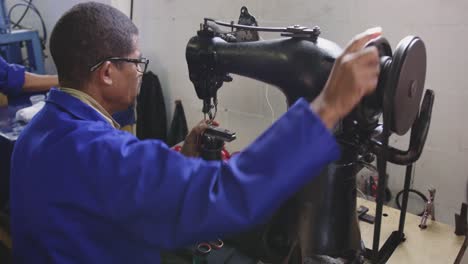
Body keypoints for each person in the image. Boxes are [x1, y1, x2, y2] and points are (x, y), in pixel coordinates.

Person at [10, 2, 381, 263]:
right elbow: (225, 194)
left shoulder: (41, 129)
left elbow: (107, 189)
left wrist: (179, 157)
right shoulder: (93, 151)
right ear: (107, 72)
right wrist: (328, 106)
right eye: (137, 62)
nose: (140, 72)